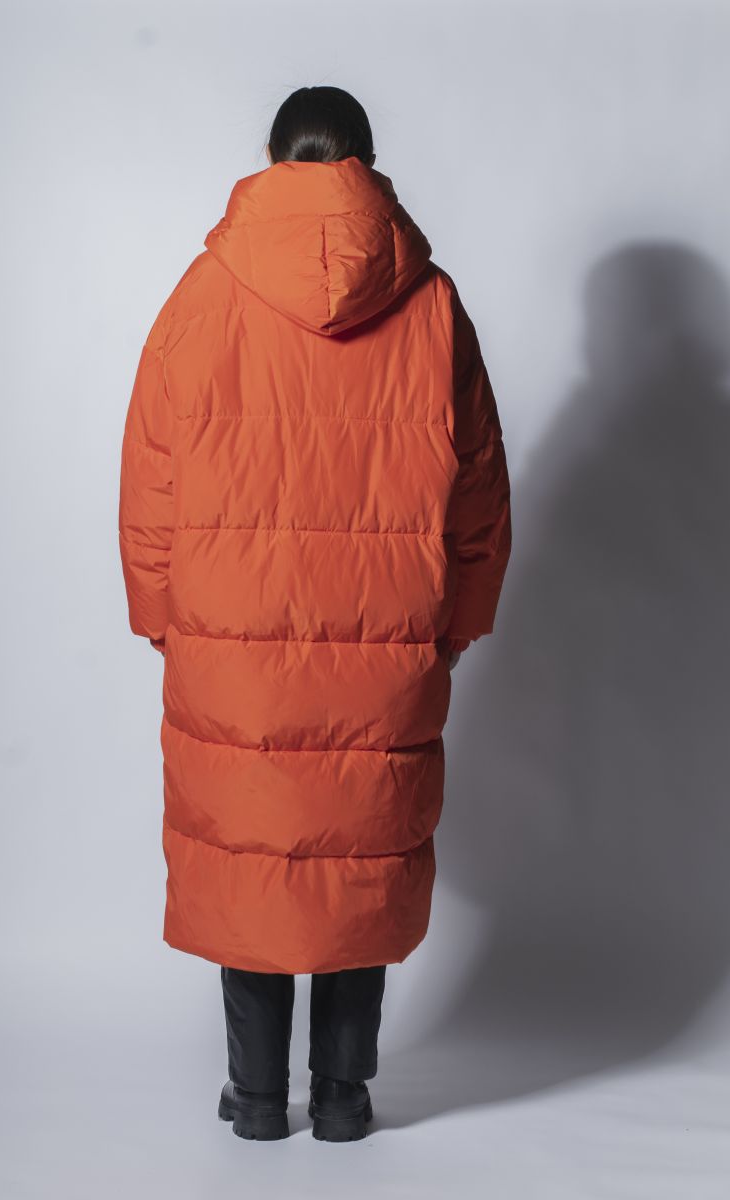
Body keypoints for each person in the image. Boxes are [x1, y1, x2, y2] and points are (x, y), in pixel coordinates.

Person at [118, 85, 511, 1142]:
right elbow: (479, 490)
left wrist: (160, 615)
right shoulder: (431, 303)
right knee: (357, 858)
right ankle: (342, 1098)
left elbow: (150, 475)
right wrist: (457, 623)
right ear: (367, 166)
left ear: (269, 157)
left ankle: (256, 1100)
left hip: (231, 643)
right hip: (387, 642)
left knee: (252, 852)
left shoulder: (204, 293)